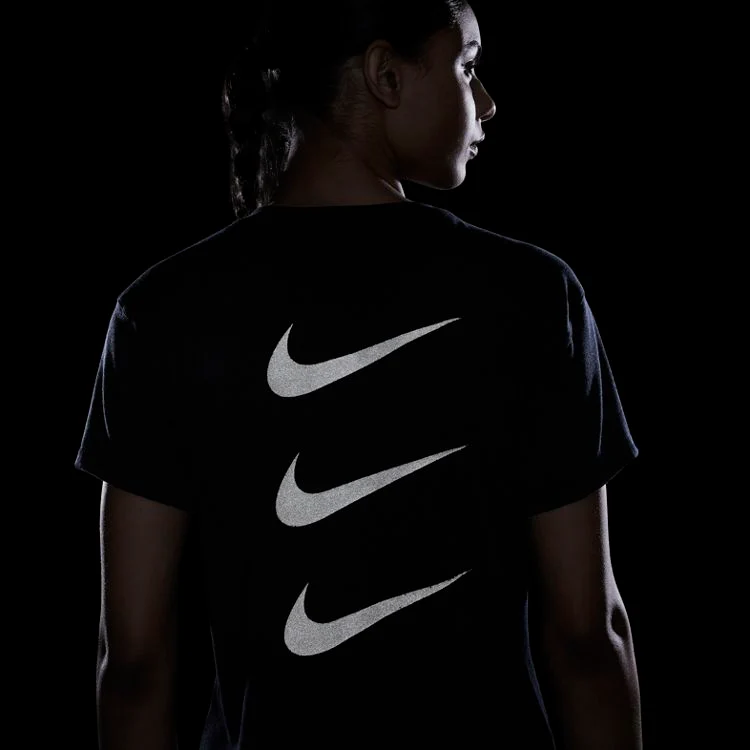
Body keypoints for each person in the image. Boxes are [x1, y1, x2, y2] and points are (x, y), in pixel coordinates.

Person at [75, 1, 643, 748]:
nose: (486, 102)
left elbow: (134, 663)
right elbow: (587, 638)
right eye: (467, 66)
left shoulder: (161, 312)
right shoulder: (533, 296)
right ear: (386, 76)